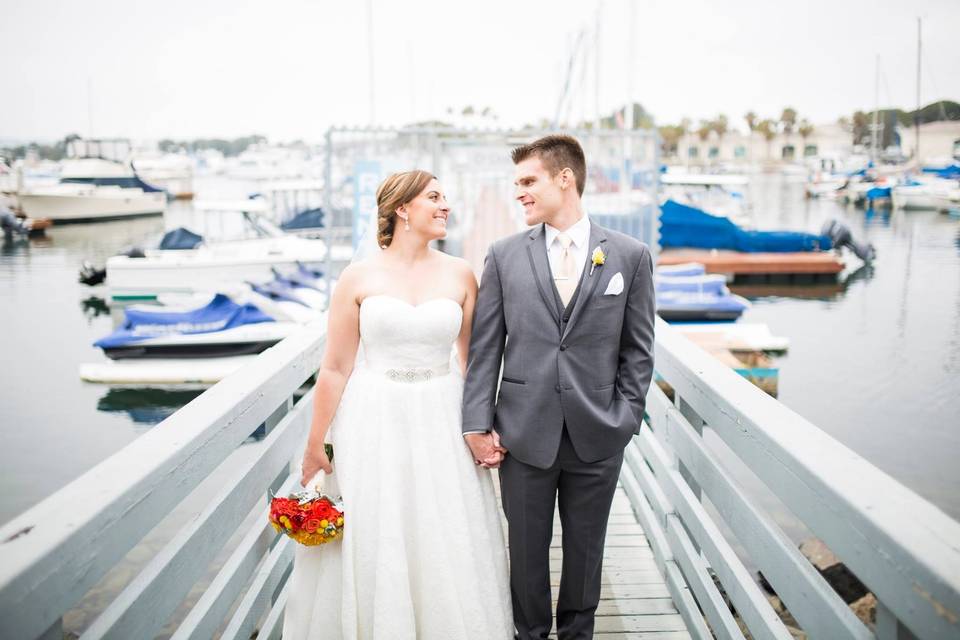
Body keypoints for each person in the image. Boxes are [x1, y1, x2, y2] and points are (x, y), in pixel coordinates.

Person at [283, 170, 513, 640]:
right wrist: (315, 445)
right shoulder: (357, 278)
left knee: (443, 527)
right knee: (377, 528)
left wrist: (484, 425)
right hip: (373, 418)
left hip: (443, 416)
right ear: (402, 209)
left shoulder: (461, 273)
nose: (446, 205)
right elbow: (334, 368)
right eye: (434, 197)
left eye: (445, 197)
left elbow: (475, 363)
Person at [462, 135, 656, 640]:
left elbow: (638, 350)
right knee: (525, 553)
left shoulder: (630, 257)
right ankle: (529, 635)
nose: (519, 194)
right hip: (523, 433)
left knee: (586, 552)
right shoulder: (504, 256)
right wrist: (477, 424)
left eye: (529, 182)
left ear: (564, 178)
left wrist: (626, 417)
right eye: (517, 185)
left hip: (599, 433)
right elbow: (486, 348)